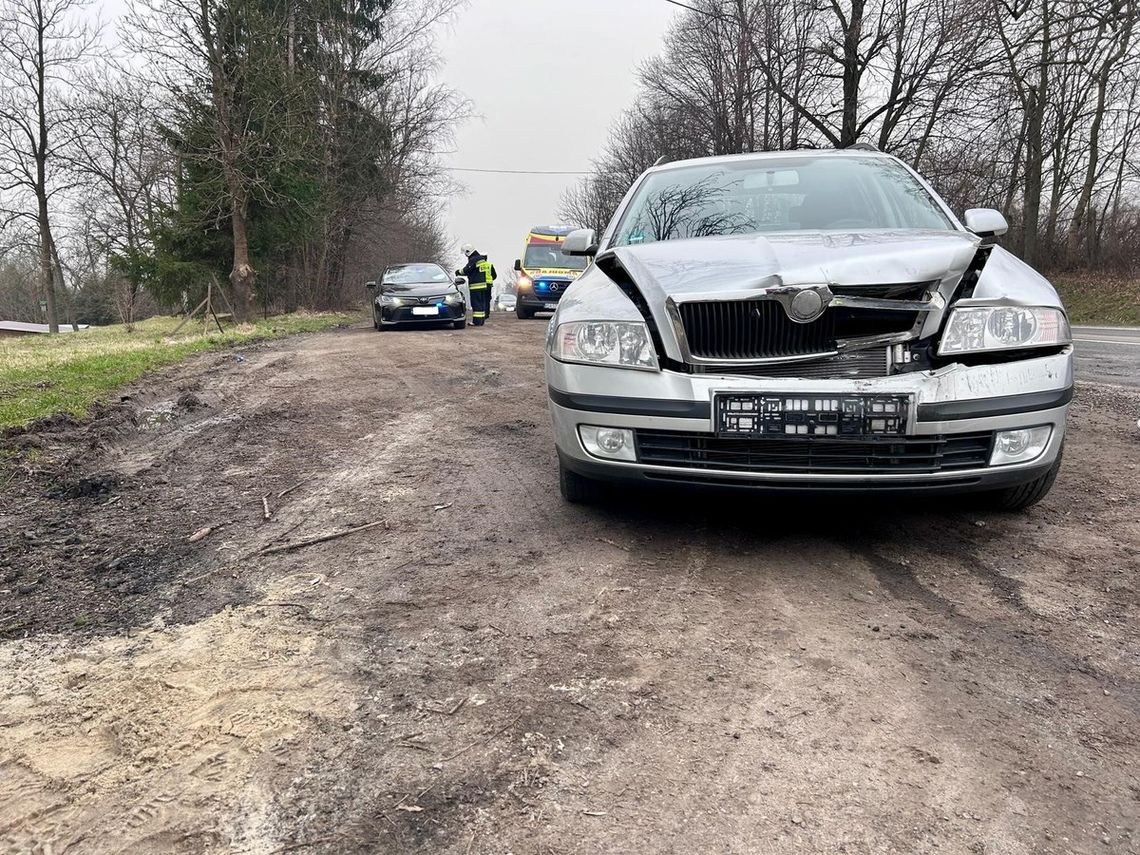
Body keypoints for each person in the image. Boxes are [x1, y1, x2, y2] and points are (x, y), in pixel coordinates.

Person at [459, 244, 496, 326]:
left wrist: (458, 272)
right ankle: (481, 321)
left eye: (465, 253)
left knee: (476, 304)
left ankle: (477, 322)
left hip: (475, 286)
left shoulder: (473, 260)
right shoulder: (481, 259)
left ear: (468, 252)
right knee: (481, 304)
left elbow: (466, 270)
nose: (465, 255)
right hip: (483, 285)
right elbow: (474, 271)